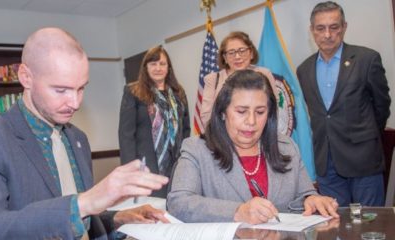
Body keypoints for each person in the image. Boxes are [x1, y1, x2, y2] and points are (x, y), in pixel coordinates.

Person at [0, 27, 169, 239]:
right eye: (61, 90)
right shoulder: (0, 136)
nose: (75, 103)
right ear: (26, 77)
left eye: (81, 88)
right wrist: (85, 202)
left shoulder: (78, 138)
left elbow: (81, 220)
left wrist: (119, 217)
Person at [167, 70, 339, 224]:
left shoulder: (286, 147)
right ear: (222, 113)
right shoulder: (197, 149)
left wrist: (311, 200)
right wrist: (237, 212)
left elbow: (304, 194)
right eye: (241, 111)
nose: (251, 121)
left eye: (260, 112)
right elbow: (179, 203)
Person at [297, 1, 391, 206]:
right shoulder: (303, 70)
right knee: (334, 225)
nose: (327, 34)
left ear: (344, 27)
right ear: (312, 31)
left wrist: (365, 135)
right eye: (320, 28)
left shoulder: (367, 59)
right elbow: (319, 114)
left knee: (370, 224)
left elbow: (381, 106)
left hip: (363, 159)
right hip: (327, 163)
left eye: (334, 27)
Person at [119, 46, 190, 198]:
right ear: (145, 67)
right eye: (153, 64)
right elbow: (126, 135)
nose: (158, 68)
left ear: (168, 67)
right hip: (147, 166)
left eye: (162, 64)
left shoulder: (178, 93)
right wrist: (131, 170)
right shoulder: (133, 92)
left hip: (177, 166)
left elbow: (186, 129)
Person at [200, 31, 277, 128]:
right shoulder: (213, 79)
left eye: (242, 51)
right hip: (223, 137)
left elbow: (274, 109)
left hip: (258, 132)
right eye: (231, 53)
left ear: (251, 53)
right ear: (225, 58)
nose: (237, 56)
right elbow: (206, 117)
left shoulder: (264, 74)